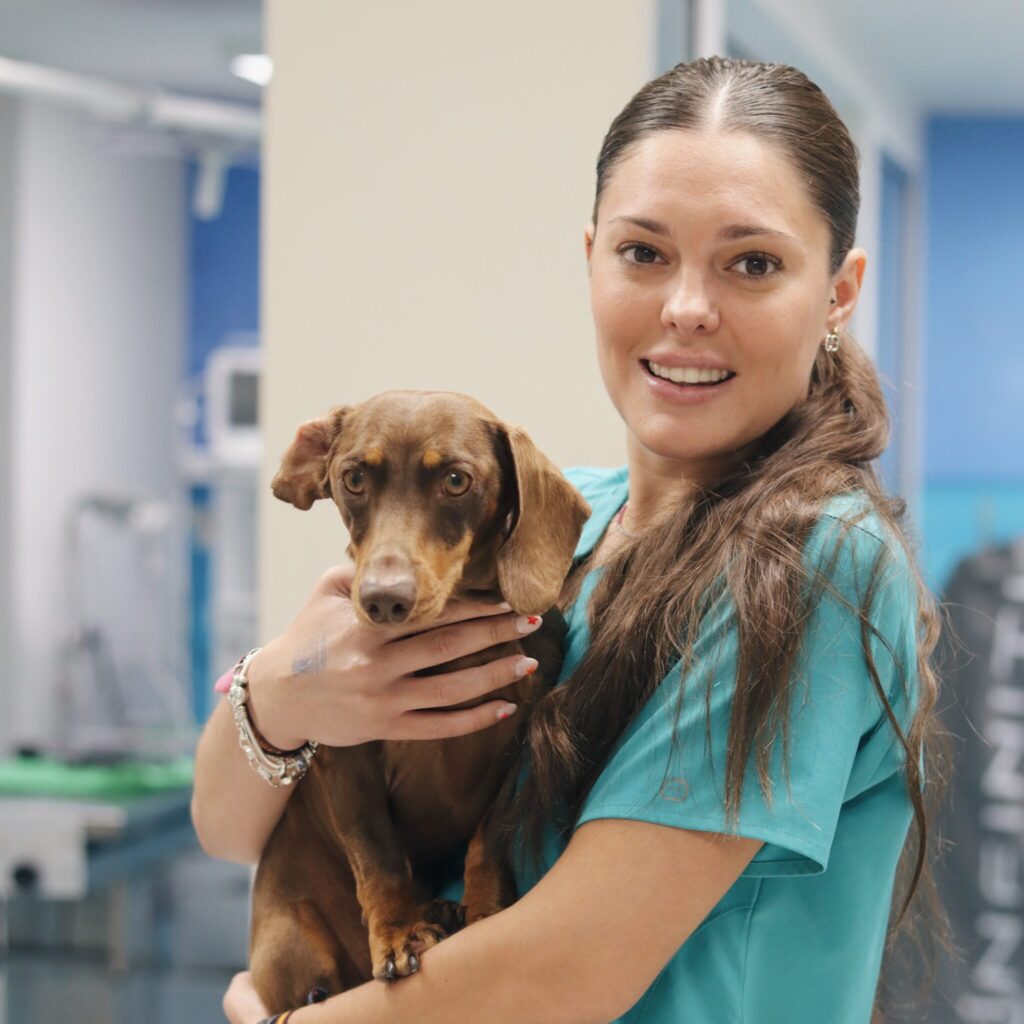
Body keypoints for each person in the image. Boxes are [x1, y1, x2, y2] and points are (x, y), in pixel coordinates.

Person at [193, 56, 945, 1024]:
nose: (685, 307)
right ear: (592, 259)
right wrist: (278, 693)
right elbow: (226, 827)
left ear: (838, 292)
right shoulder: (546, 527)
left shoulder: (810, 563)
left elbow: (565, 971)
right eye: (643, 252)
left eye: (752, 263)